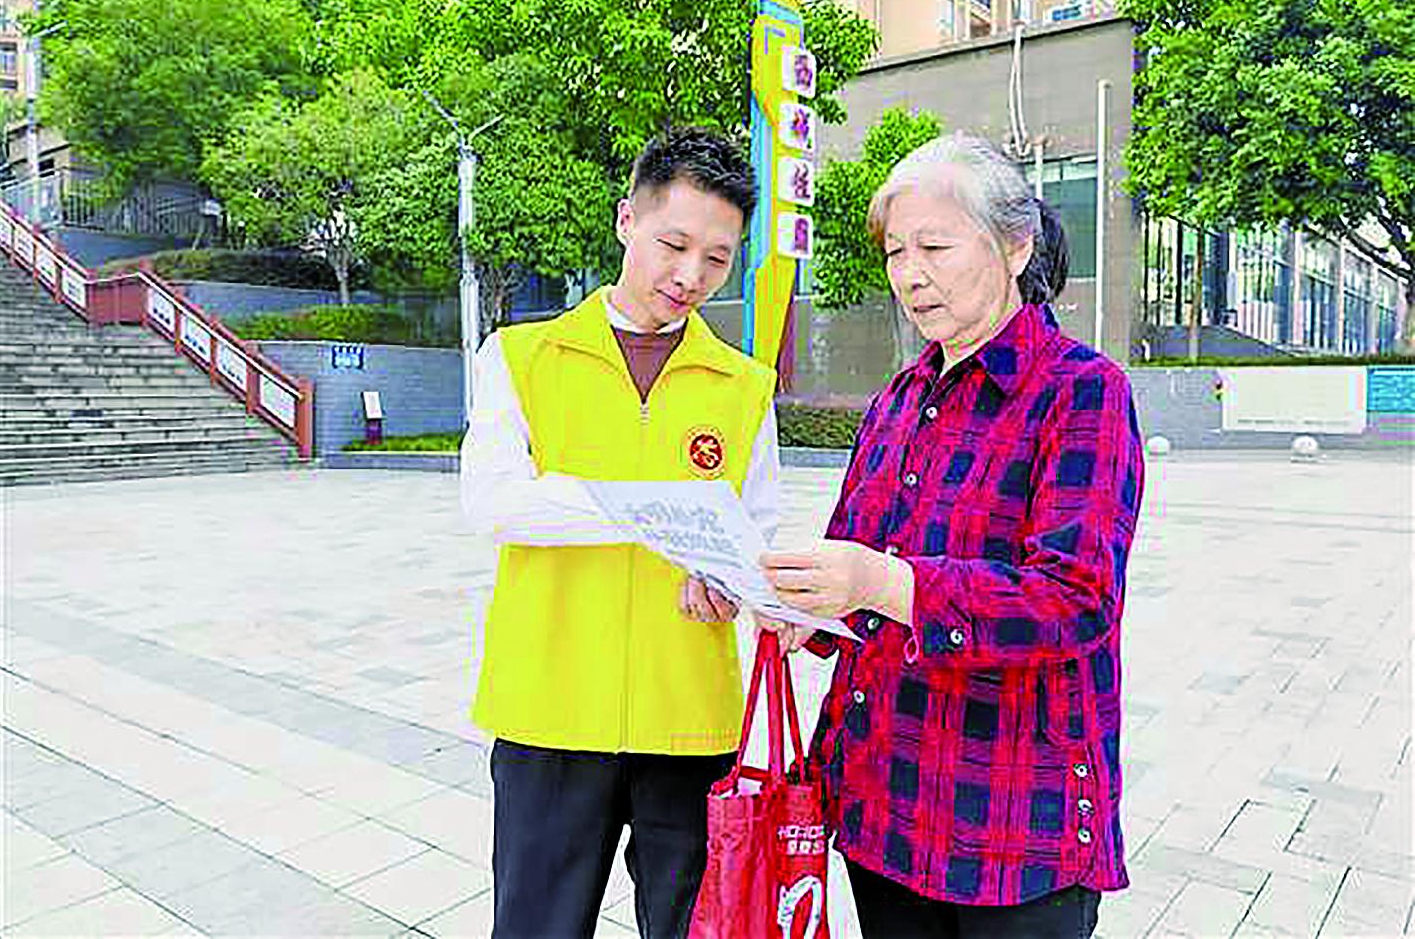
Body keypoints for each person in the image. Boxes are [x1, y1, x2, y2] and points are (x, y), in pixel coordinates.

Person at [759, 133, 1145, 938]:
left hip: (1012, 820)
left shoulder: (1080, 391)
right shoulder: (896, 400)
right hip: (882, 798)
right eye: (895, 252)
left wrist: (880, 581)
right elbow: (855, 563)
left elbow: (1073, 599)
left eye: (934, 247)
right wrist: (803, 605)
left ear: (1015, 245)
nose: (910, 273)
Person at [461, 127, 782, 939]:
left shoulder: (743, 385)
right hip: (548, 708)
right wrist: (655, 509)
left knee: (694, 929)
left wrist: (728, 579)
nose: (690, 275)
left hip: (689, 715)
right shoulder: (521, 356)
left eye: (716, 258)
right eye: (674, 244)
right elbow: (494, 502)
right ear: (625, 220)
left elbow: (756, 532)